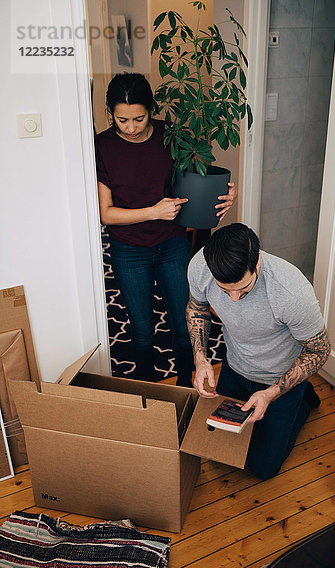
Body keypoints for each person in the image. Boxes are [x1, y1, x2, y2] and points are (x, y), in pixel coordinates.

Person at [95, 73, 236, 385]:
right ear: (110, 114)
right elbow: (106, 214)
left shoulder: (171, 135)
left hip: (172, 244)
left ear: (151, 110)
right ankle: (149, 394)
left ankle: (187, 388)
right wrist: (154, 211)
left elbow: (198, 181)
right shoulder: (102, 146)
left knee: (183, 323)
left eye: (138, 118)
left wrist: (224, 194)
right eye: (121, 120)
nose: (130, 128)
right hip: (127, 249)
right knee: (142, 329)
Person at [186, 223, 331, 480]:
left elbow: (319, 350)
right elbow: (197, 308)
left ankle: (299, 396)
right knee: (222, 453)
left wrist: (273, 393)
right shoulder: (201, 265)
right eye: (224, 290)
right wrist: (201, 358)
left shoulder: (291, 293)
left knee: (262, 468)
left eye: (243, 289)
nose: (232, 299)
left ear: (258, 261)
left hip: (278, 377)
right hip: (235, 365)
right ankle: (297, 394)